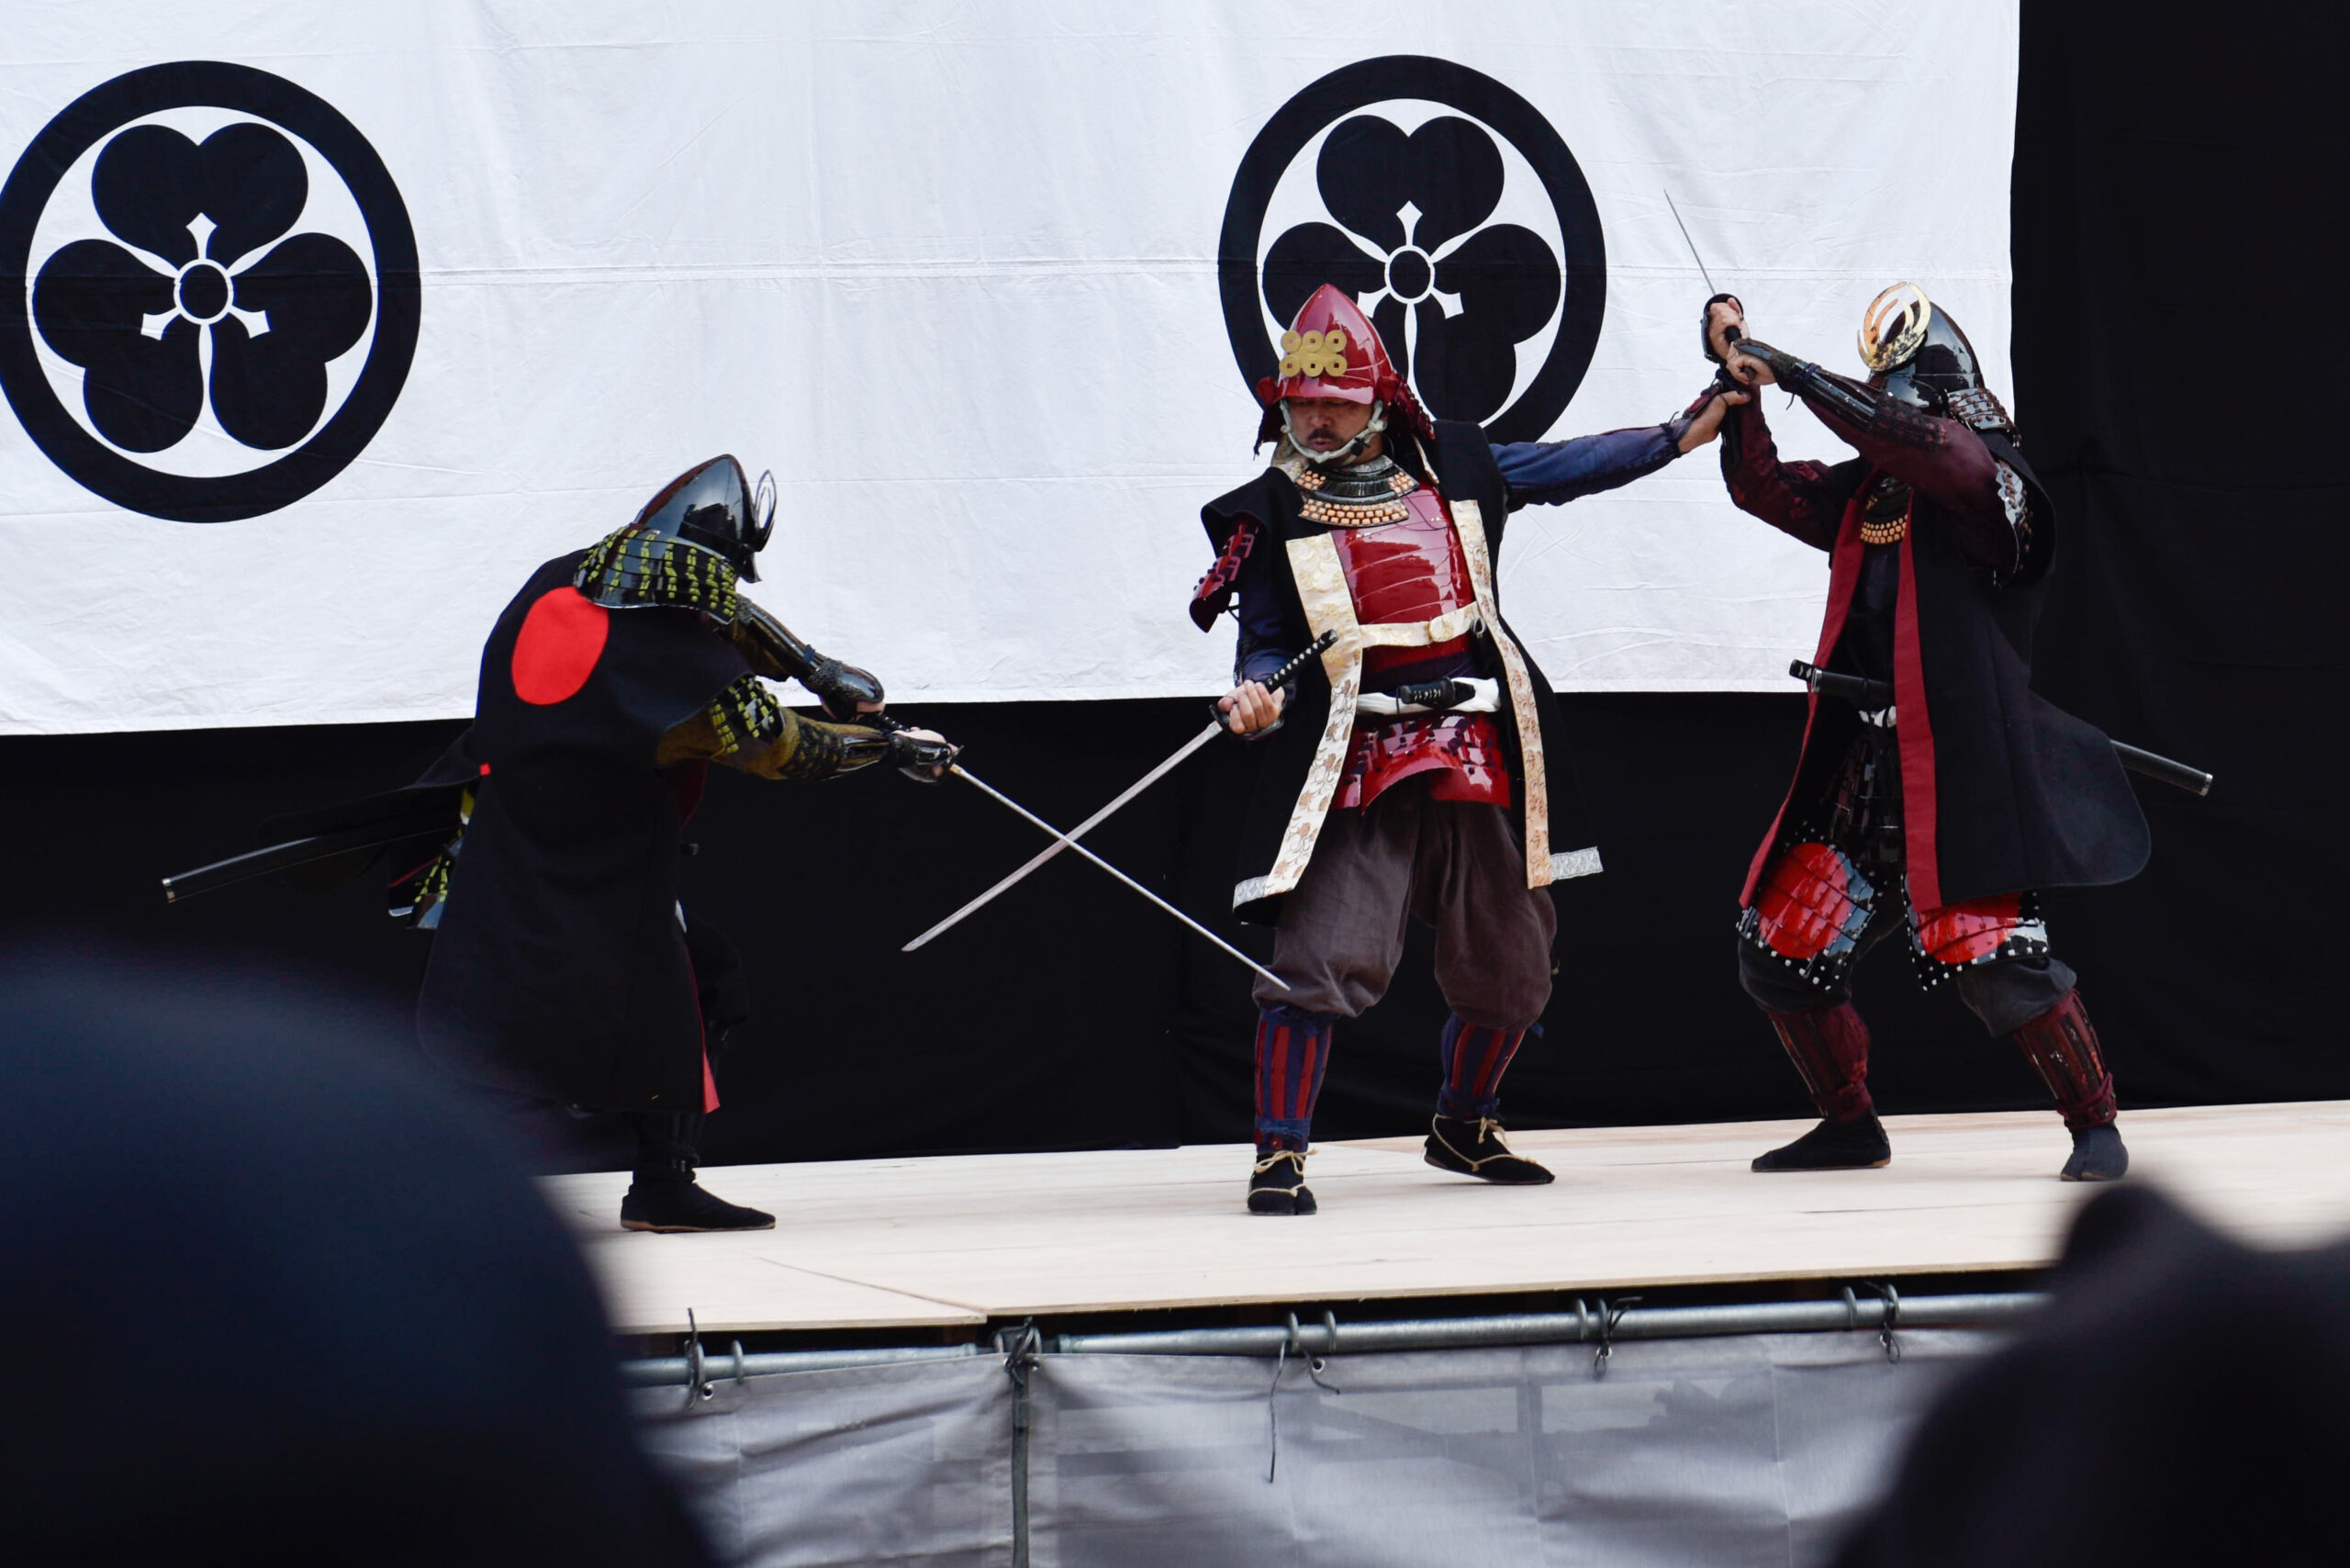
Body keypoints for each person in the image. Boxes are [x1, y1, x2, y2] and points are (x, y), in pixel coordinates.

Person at [1192, 283, 1740, 1215]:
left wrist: (1678, 433)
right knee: (1317, 958)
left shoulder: (1458, 469)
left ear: (1379, 398)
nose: (1318, 420)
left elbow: (1568, 464)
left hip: (1477, 742)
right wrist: (1258, 696)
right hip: (1355, 754)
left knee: (1514, 960)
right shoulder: (1270, 509)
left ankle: (1464, 1124)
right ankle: (1278, 1154)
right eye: (1303, 404)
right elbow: (1268, 643)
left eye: (1336, 402)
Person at [406, 455, 954, 1231]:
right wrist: (893, 748)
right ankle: (535, 1191)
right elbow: (788, 749)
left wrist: (818, 670)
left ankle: (653, 1184)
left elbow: (727, 616)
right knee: (558, 1027)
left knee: (671, 984)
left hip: (501, 846)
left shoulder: (557, 582)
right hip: (591, 874)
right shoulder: (685, 677)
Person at [1706, 287, 2148, 1181]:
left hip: (1955, 765)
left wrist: (1792, 371)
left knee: (1991, 958)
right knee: (1782, 946)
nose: (1886, 408)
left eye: (1895, 395)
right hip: (1864, 765)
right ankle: (1849, 1124)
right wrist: (1741, 385)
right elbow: (1765, 487)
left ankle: (2094, 1125)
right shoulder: (1874, 489)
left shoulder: (1995, 480)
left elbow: (1938, 452)